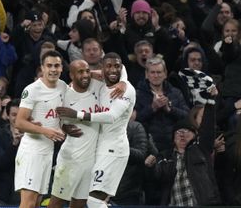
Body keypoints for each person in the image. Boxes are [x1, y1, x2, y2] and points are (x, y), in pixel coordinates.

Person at [56, 52, 136, 208]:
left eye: (117, 67)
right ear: (102, 68)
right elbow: (94, 72)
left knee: (94, 200)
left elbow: (112, 116)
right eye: (109, 66)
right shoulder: (101, 85)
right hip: (99, 148)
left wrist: (78, 115)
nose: (113, 70)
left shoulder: (126, 90)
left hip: (114, 149)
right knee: (86, 197)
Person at [14, 50, 66, 208]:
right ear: (42, 68)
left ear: (62, 68)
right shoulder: (32, 90)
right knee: (28, 204)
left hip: (47, 152)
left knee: (36, 203)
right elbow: (19, 122)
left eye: (57, 65)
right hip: (32, 151)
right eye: (49, 65)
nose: (53, 69)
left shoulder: (63, 87)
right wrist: (46, 131)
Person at [154, 103, 221, 206]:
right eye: (178, 132)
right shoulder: (165, 156)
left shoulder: (200, 150)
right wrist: (150, 165)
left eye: (187, 132)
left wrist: (211, 102)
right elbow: (157, 177)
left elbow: (208, 128)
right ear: (173, 138)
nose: (182, 135)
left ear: (195, 136)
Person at [136, 56, 189, 151]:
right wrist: (152, 108)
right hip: (148, 146)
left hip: (173, 145)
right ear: (146, 74)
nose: (156, 76)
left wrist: (170, 109)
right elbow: (135, 120)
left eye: (159, 72)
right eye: (152, 72)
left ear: (165, 74)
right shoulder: (137, 94)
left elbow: (187, 117)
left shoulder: (176, 93)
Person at [0, 98, 22, 204]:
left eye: (20, 114)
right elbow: (1, 164)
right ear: (7, 116)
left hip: (26, 191)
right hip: (3, 195)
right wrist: (14, 144)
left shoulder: (34, 136)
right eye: (14, 114)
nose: (17, 118)